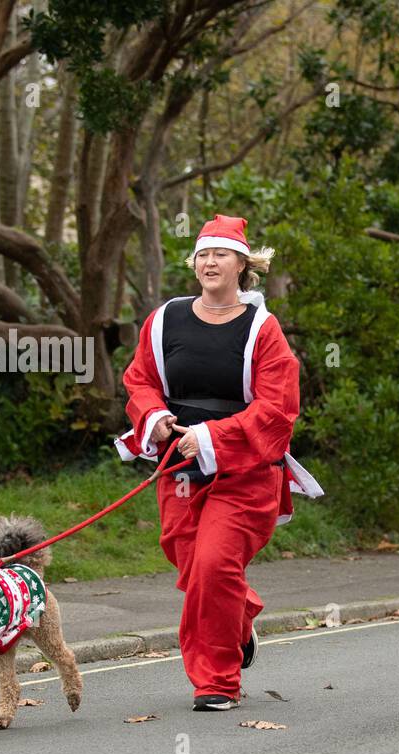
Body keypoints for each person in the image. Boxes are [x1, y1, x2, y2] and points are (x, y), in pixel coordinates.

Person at [115, 214, 322, 711]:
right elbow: (139, 379)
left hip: (245, 472)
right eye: (203, 254)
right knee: (193, 566)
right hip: (177, 470)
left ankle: (216, 682)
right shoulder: (165, 318)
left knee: (212, 565)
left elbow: (278, 409)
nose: (209, 262)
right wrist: (157, 418)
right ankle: (241, 613)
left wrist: (211, 437)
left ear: (242, 266)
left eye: (220, 254)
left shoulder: (262, 330)